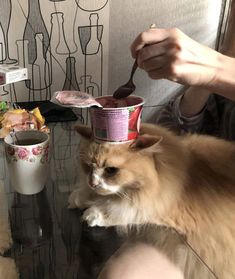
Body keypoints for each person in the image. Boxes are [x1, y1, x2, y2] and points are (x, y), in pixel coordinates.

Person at [98, 3, 235, 278]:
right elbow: (183, 127)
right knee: (123, 272)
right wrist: (210, 74)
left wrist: (218, 70)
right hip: (197, 198)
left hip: (216, 212)